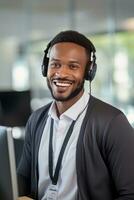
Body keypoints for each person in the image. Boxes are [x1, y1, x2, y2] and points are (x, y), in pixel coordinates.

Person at [17, 30, 134, 200]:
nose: (61, 73)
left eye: (73, 66)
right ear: (45, 67)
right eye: (55, 64)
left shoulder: (112, 122)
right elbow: (22, 181)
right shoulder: (36, 119)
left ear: (89, 72)